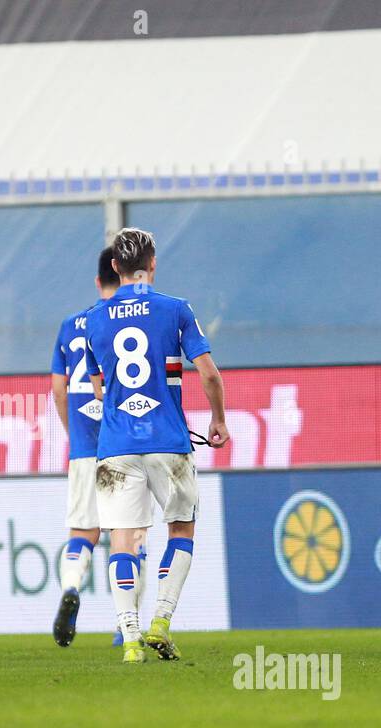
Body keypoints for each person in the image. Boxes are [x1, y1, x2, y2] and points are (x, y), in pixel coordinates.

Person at [84, 228, 229, 662]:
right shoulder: (176, 310)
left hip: (116, 445)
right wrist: (218, 419)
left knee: (123, 540)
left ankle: (129, 639)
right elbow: (208, 373)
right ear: (154, 263)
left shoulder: (93, 318)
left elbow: (98, 388)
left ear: (114, 267)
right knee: (180, 528)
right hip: (168, 440)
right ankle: (161, 621)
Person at [51, 246, 149, 647]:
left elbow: (58, 389)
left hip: (83, 447)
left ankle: (71, 586)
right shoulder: (136, 319)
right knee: (131, 535)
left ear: (98, 280)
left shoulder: (72, 324)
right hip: (123, 444)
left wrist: (73, 433)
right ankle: (126, 625)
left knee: (82, 532)